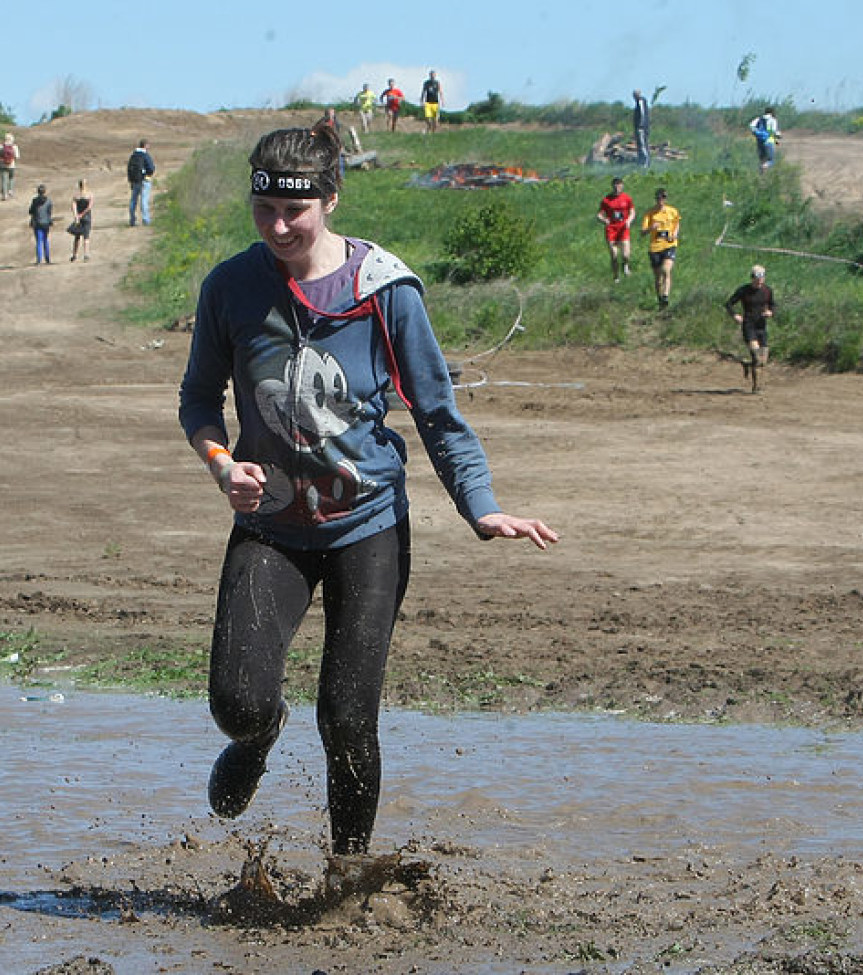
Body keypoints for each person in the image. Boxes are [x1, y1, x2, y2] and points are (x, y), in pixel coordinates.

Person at [177, 126, 558, 860]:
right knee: (237, 704)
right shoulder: (231, 287)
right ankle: (259, 738)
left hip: (367, 526)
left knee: (347, 718)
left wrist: (482, 507)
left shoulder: (386, 291)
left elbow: (437, 413)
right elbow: (198, 398)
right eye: (265, 212)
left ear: (331, 198)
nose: (279, 228)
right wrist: (222, 461)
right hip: (271, 527)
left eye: (297, 212)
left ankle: (346, 873)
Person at [725, 264, 776, 392]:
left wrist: (771, 312)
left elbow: (773, 305)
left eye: (762, 278)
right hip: (749, 326)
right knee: (757, 357)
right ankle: (756, 387)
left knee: (763, 361)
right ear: (752, 278)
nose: (759, 281)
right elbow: (729, 304)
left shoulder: (767, 291)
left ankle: (747, 365)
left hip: (761, 327)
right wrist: (735, 315)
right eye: (757, 278)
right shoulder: (744, 290)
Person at [641, 187, 680, 309]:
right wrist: (651, 228)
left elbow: (677, 223)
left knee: (666, 270)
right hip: (655, 247)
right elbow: (642, 232)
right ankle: (660, 300)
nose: (661, 200)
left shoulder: (672, 211)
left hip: (669, 245)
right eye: (658, 198)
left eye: (663, 198)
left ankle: (665, 296)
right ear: (656, 199)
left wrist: (674, 234)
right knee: (658, 277)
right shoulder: (650, 213)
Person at [597, 176, 635, 282]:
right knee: (614, 254)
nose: (617, 187)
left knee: (626, 254)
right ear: (612, 186)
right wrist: (604, 220)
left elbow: (632, 212)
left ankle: (625, 265)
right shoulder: (606, 200)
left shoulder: (627, 198)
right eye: (615, 185)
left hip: (623, 228)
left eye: (619, 185)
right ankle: (616, 276)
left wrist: (629, 221)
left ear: (622, 186)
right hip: (611, 229)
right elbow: (599, 214)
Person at [126, 140, 156, 227]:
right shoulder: (145, 155)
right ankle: (146, 220)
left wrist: (131, 180)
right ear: (145, 145)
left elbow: (129, 169)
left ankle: (132, 220)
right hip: (145, 180)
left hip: (135, 181)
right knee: (144, 200)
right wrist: (148, 174)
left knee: (133, 201)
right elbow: (151, 168)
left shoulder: (133, 155)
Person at [68, 179, 93, 262]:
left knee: (77, 237)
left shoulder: (76, 196)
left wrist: (76, 216)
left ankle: (74, 255)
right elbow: (89, 207)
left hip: (79, 218)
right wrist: (83, 214)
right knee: (86, 237)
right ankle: (86, 255)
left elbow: (73, 206)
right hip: (87, 218)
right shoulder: (89, 195)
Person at [29, 184, 53, 265]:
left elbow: (31, 212)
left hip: (37, 223)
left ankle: (39, 259)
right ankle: (47, 259)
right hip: (46, 223)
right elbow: (49, 212)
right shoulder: (49, 201)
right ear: (45, 192)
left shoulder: (34, 201)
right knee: (45, 240)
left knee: (39, 241)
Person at [749, 107, 780, 172]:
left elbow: (751, 126)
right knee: (770, 160)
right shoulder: (772, 120)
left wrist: (756, 133)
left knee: (762, 159)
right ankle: (763, 167)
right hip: (769, 141)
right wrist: (776, 140)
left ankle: (761, 174)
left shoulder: (759, 118)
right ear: (772, 112)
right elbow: (773, 131)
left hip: (759, 141)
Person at [0, 133, 20, 200]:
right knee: (11, 177)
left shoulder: (1, 146)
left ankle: (4, 195)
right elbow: (17, 156)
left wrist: (0, 161)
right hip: (11, 165)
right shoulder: (14, 147)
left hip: (2, 165)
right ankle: (10, 190)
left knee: (4, 180)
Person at [633, 89, 651, 167]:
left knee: (643, 145)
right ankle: (641, 162)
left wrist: (641, 125)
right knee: (640, 145)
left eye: (634, 95)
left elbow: (642, 114)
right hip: (640, 128)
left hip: (642, 128)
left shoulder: (641, 101)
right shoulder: (639, 102)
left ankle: (645, 163)